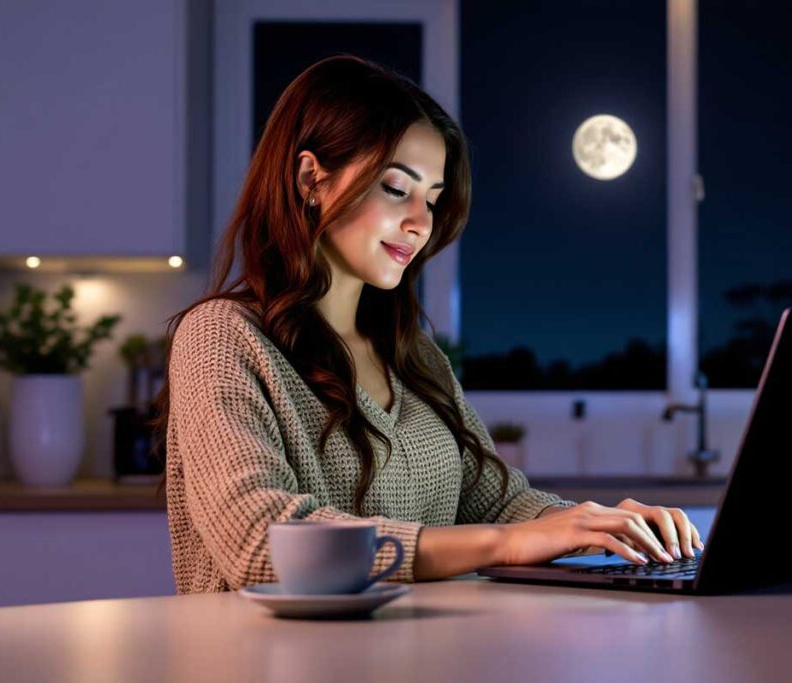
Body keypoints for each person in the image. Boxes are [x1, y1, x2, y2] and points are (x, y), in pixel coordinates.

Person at [151, 55, 703, 594]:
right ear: (309, 178)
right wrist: (503, 544)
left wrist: (596, 525)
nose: (420, 223)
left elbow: (497, 501)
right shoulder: (221, 336)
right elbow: (259, 541)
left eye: (432, 199)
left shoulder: (413, 354)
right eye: (396, 189)